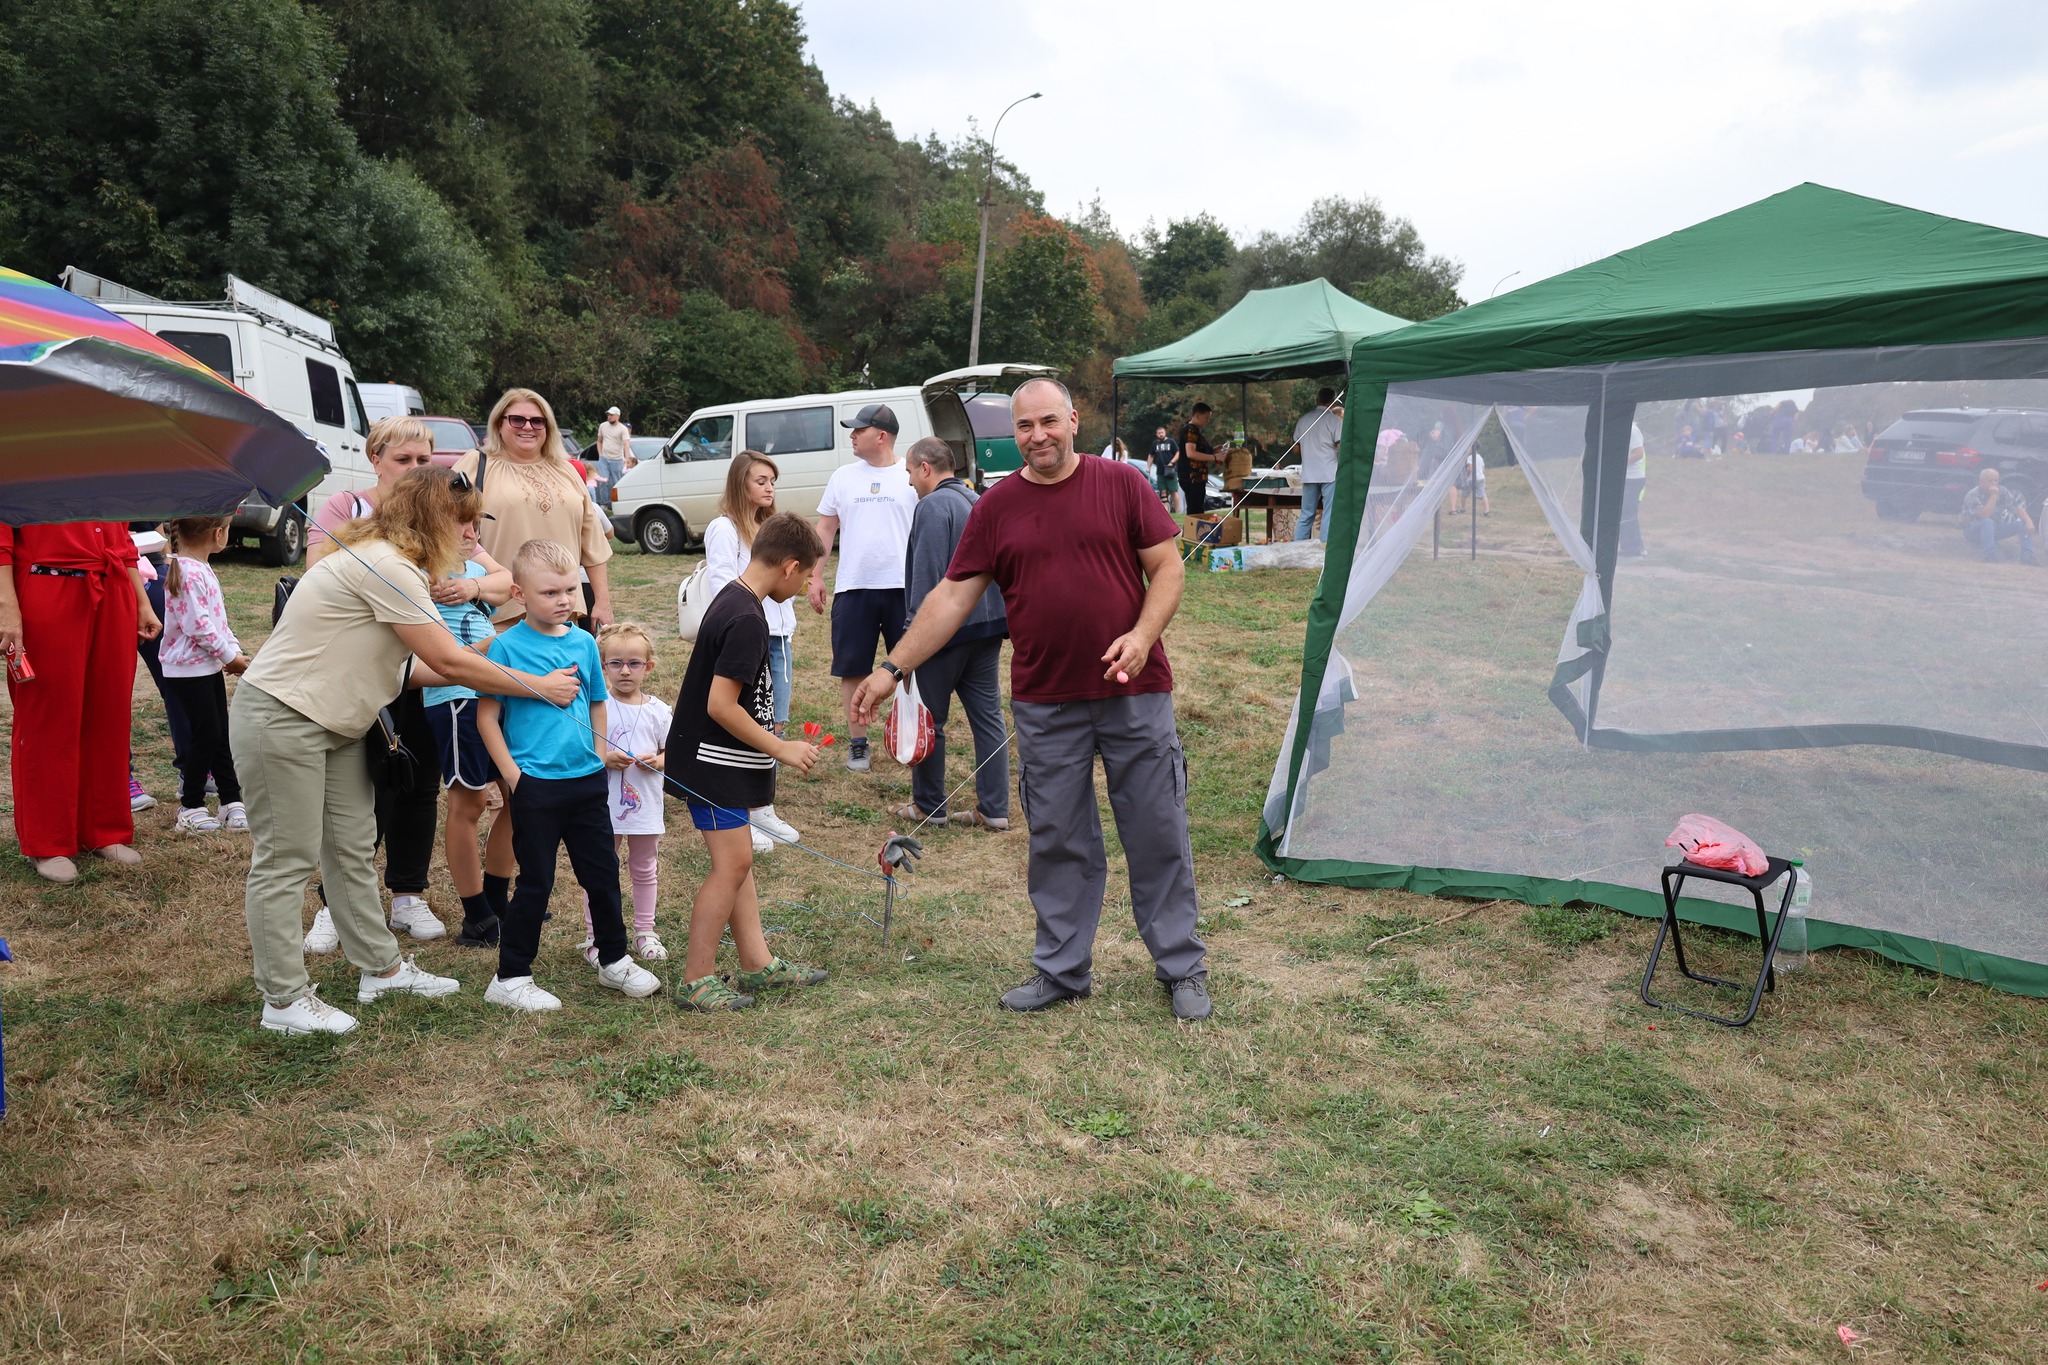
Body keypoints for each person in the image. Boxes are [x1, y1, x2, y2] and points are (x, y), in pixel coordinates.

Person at [853, 378, 1211, 1022]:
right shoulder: (996, 506)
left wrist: (1141, 634)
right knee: (1058, 837)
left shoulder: (1121, 484)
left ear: (1074, 420)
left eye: (1049, 421)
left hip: (1135, 690)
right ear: (1012, 434)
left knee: (1156, 827)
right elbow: (951, 598)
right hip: (1046, 702)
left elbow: (1168, 565)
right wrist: (891, 669)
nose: (1038, 435)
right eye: (1025, 426)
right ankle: (1063, 969)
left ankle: (1181, 966)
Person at [233, 468, 581, 1036]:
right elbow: (447, 663)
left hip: (343, 719)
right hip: (283, 716)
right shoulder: (388, 566)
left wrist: (486, 657)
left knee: (350, 847)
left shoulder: (395, 562)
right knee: (287, 859)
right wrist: (535, 684)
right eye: (463, 523)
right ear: (433, 521)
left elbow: (409, 669)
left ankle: (381, 968)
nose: (472, 536)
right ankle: (284, 1000)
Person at [476, 539, 662, 1013]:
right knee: (536, 882)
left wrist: (599, 753)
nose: (563, 600)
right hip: (535, 785)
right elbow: (486, 718)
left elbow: (597, 700)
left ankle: (614, 960)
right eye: (550, 592)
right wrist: (514, 777)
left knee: (601, 874)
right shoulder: (504, 646)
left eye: (569, 590)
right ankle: (511, 975)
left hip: (586, 783)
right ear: (518, 593)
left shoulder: (583, 642)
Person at [669, 513, 830, 1012]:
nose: (805, 587)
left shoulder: (738, 598)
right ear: (790, 566)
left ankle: (757, 964)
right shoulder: (746, 619)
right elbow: (720, 705)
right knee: (733, 864)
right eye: (806, 577)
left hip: (720, 762)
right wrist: (781, 748)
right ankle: (696, 979)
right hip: (711, 764)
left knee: (736, 864)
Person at [304, 418, 450, 948]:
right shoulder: (346, 507)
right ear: (375, 458)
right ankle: (335, 903)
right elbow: (318, 564)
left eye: (422, 461)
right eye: (403, 459)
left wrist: (468, 582)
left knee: (418, 781)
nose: (414, 469)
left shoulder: (438, 510)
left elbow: (498, 573)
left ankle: (408, 894)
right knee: (363, 788)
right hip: (367, 669)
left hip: (425, 667)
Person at [0, 521, 161, 883]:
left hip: (113, 584)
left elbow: (119, 535)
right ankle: (48, 839)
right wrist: (6, 605)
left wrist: (141, 599)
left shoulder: (103, 462)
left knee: (110, 714)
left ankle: (104, 829)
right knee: (49, 717)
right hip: (46, 580)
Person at [891, 437, 1010, 830]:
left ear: (925, 468)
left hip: (945, 633)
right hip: (988, 627)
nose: (909, 481)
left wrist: (910, 641)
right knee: (988, 718)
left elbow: (925, 578)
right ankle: (994, 810)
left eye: (909, 471)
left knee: (928, 718)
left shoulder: (931, 506)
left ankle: (929, 807)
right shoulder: (979, 501)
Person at [410, 509, 515, 948]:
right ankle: (475, 914)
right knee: (468, 802)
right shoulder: (417, 571)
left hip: (498, 692)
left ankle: (496, 898)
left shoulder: (475, 567)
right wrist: (499, 644)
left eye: (476, 522)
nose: (472, 532)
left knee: (517, 794)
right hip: (455, 698)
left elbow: (509, 581)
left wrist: (474, 585)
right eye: (460, 522)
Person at [809, 402, 918, 773]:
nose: (852, 436)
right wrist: (817, 575)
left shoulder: (912, 473)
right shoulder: (843, 476)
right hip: (854, 587)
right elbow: (826, 528)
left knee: (908, 666)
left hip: (904, 588)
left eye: (859, 430)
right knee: (853, 667)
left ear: (882, 436)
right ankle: (859, 744)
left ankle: (910, 735)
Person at [452, 389, 617, 632]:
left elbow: (591, 541)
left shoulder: (567, 470)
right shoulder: (476, 464)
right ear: (499, 424)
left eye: (537, 421)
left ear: (548, 427)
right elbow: (441, 524)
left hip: (564, 611)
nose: (528, 427)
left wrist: (602, 601)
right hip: (501, 613)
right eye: (517, 419)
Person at [703, 451, 801, 851]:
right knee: (748, 719)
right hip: (749, 636)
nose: (769, 487)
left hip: (778, 636)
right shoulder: (724, 527)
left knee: (775, 719)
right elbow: (724, 582)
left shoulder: (770, 528)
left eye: (772, 480)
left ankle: (761, 803)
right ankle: (742, 811)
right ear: (740, 483)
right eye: (760, 480)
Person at [581, 622, 672, 962]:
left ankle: (645, 931)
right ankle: (596, 938)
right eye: (615, 663)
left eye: (634, 663)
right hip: (602, 805)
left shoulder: (658, 711)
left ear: (648, 667)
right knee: (600, 870)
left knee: (645, 866)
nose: (624, 671)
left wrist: (659, 762)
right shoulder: (596, 706)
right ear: (602, 666)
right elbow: (581, 748)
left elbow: (675, 752)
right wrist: (603, 758)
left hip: (645, 805)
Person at [157, 515, 251, 834]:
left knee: (220, 733)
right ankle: (191, 805)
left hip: (206, 665)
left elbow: (218, 621)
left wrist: (233, 651)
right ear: (218, 533)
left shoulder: (200, 567)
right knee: (206, 734)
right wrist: (230, 657)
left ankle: (230, 800)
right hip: (186, 670)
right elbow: (197, 626)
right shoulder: (185, 570)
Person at [1292, 388, 1343, 542]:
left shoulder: (1303, 420)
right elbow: (1341, 447)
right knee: (1328, 512)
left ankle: (1298, 548)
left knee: (1306, 513)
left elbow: (1295, 449)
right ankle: (1324, 549)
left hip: (1309, 473)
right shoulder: (1334, 421)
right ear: (1333, 402)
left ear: (1317, 400)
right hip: (1329, 473)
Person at [1961, 467, 2039, 565]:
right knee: (1987, 522)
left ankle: (2027, 555)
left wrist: (2029, 522)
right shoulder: (1973, 495)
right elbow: (1983, 515)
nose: (1994, 483)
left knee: (2022, 524)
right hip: (1973, 531)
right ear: (1981, 481)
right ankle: (1990, 556)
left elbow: (2017, 508)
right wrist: (1993, 496)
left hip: (1994, 529)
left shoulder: (2002, 491)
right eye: (1990, 481)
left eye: (1996, 480)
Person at [1178, 403, 1219, 514]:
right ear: (1198, 415)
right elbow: (1191, 453)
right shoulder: (1190, 430)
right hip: (1192, 477)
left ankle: (1194, 530)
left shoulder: (1196, 431)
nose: (1207, 421)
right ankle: (1192, 530)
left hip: (1198, 477)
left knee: (1197, 508)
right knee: (1194, 510)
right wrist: (1214, 457)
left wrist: (1214, 450)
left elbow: (1200, 450)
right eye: (1206, 418)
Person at [1619, 421, 1648, 558]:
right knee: (1623, 513)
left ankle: (1635, 548)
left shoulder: (1632, 429)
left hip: (1633, 479)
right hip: (1622, 479)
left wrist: (1618, 464)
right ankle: (1628, 546)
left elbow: (1638, 453)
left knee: (1628, 513)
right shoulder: (1619, 428)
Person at [594, 406, 632, 503]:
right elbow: (599, 441)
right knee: (603, 481)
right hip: (604, 459)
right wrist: (600, 454)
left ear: (617, 416)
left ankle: (616, 503)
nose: (609, 417)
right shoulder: (603, 426)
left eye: (611, 415)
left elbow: (626, 444)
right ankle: (604, 503)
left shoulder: (622, 429)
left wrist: (627, 460)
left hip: (617, 459)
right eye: (608, 415)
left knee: (616, 483)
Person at [1148, 426, 1181, 510]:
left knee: (1173, 491)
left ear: (1165, 432)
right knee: (1162, 491)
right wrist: (1149, 467)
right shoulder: (1155, 444)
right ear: (1156, 434)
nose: (1161, 434)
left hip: (1170, 470)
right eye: (1159, 433)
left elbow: (1178, 453)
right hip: (1160, 471)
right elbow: (1151, 455)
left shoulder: (1171, 442)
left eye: (1162, 432)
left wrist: (1172, 462)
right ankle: (1166, 512)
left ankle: (1178, 511)